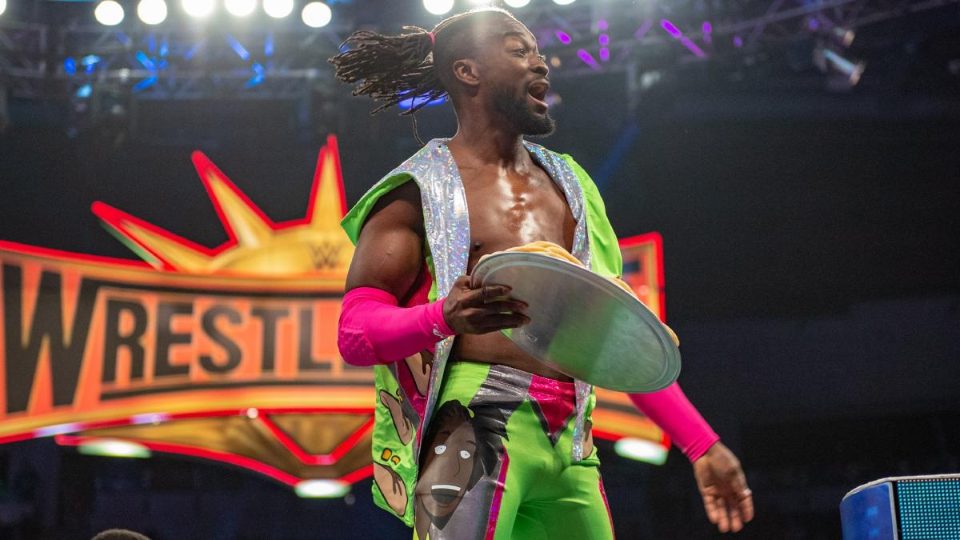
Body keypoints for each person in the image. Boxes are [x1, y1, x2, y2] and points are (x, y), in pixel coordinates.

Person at [332, 7, 753, 539]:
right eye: (519, 50)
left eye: (537, 51)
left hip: (573, 441)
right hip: (473, 423)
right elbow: (354, 332)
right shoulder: (414, 191)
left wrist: (702, 445)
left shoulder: (572, 185)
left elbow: (610, 333)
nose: (541, 63)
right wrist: (443, 317)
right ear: (468, 71)